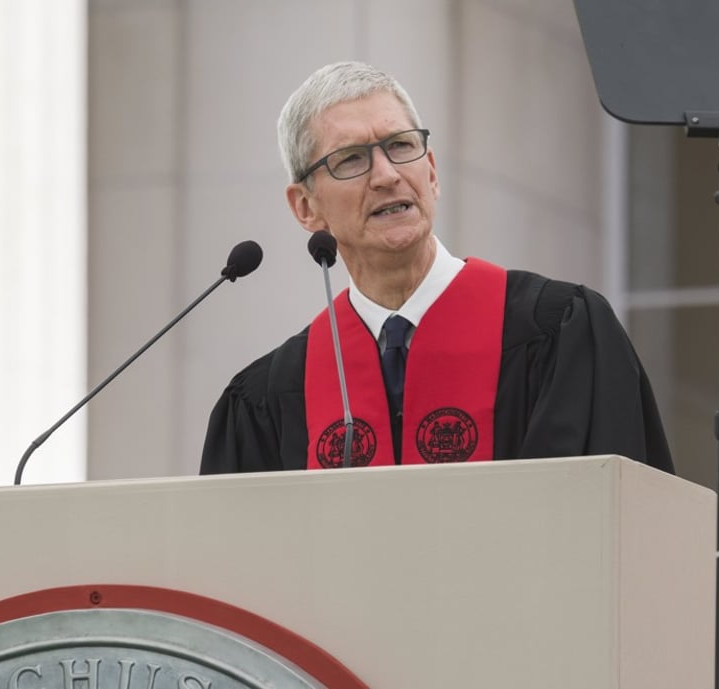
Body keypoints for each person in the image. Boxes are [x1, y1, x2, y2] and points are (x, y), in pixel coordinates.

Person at [200, 61, 673, 475]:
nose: (387, 175)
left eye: (400, 146)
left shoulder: (560, 333)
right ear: (305, 207)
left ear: (431, 171)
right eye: (351, 159)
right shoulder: (267, 399)